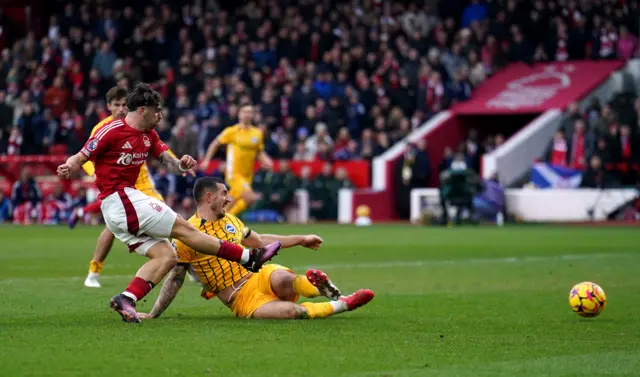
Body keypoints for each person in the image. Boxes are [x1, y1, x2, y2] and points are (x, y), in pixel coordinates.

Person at [57, 83, 281, 323]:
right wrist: (69, 166)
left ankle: (127, 298)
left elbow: (167, 160)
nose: (161, 116)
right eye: (157, 110)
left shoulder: (149, 135)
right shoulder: (110, 131)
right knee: (184, 229)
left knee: (167, 255)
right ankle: (249, 257)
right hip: (119, 199)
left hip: (123, 208)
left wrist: (181, 165)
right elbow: (80, 156)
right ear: (143, 110)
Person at [138, 177, 374, 320]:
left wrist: (301, 238)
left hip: (256, 276)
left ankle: (318, 285)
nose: (229, 200)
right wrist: (153, 313)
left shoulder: (231, 221)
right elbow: (175, 278)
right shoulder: (186, 234)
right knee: (292, 313)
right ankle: (343, 303)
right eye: (224, 194)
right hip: (240, 298)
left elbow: (260, 241)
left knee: (282, 278)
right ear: (208, 197)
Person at [200, 105, 273, 217]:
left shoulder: (257, 133)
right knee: (250, 197)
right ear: (239, 114)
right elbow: (215, 144)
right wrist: (206, 160)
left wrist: (266, 160)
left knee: (230, 202)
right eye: (244, 111)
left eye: (250, 112)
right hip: (234, 173)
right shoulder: (231, 131)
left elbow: (259, 152)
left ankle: (217, 218)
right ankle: (226, 219)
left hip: (247, 175)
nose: (247, 114)